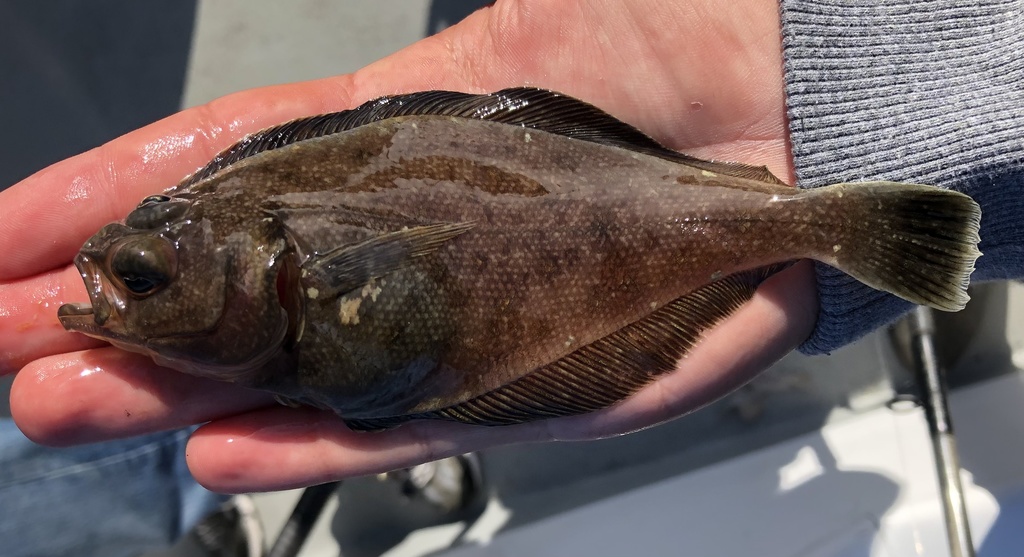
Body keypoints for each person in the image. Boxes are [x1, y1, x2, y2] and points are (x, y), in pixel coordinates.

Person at [0, 0, 1020, 541]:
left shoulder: (271, 237)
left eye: (143, 274)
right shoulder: (250, 214)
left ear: (260, 273)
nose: (121, 288)